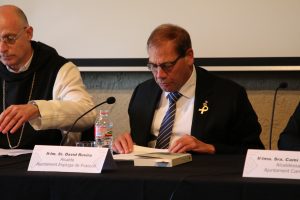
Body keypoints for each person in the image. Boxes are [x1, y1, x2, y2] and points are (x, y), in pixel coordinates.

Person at [113, 24, 264, 154]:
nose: (159, 75)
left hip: (199, 179)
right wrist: (125, 143)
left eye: (167, 66)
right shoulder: (143, 93)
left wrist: (210, 148)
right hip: (148, 178)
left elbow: (253, 150)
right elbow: (139, 143)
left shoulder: (228, 95)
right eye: (153, 66)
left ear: (189, 57)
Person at [0, 5, 96, 149]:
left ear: (28, 33)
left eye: (10, 38)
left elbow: (87, 112)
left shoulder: (58, 68)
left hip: (48, 164)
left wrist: (38, 109)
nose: (2, 48)